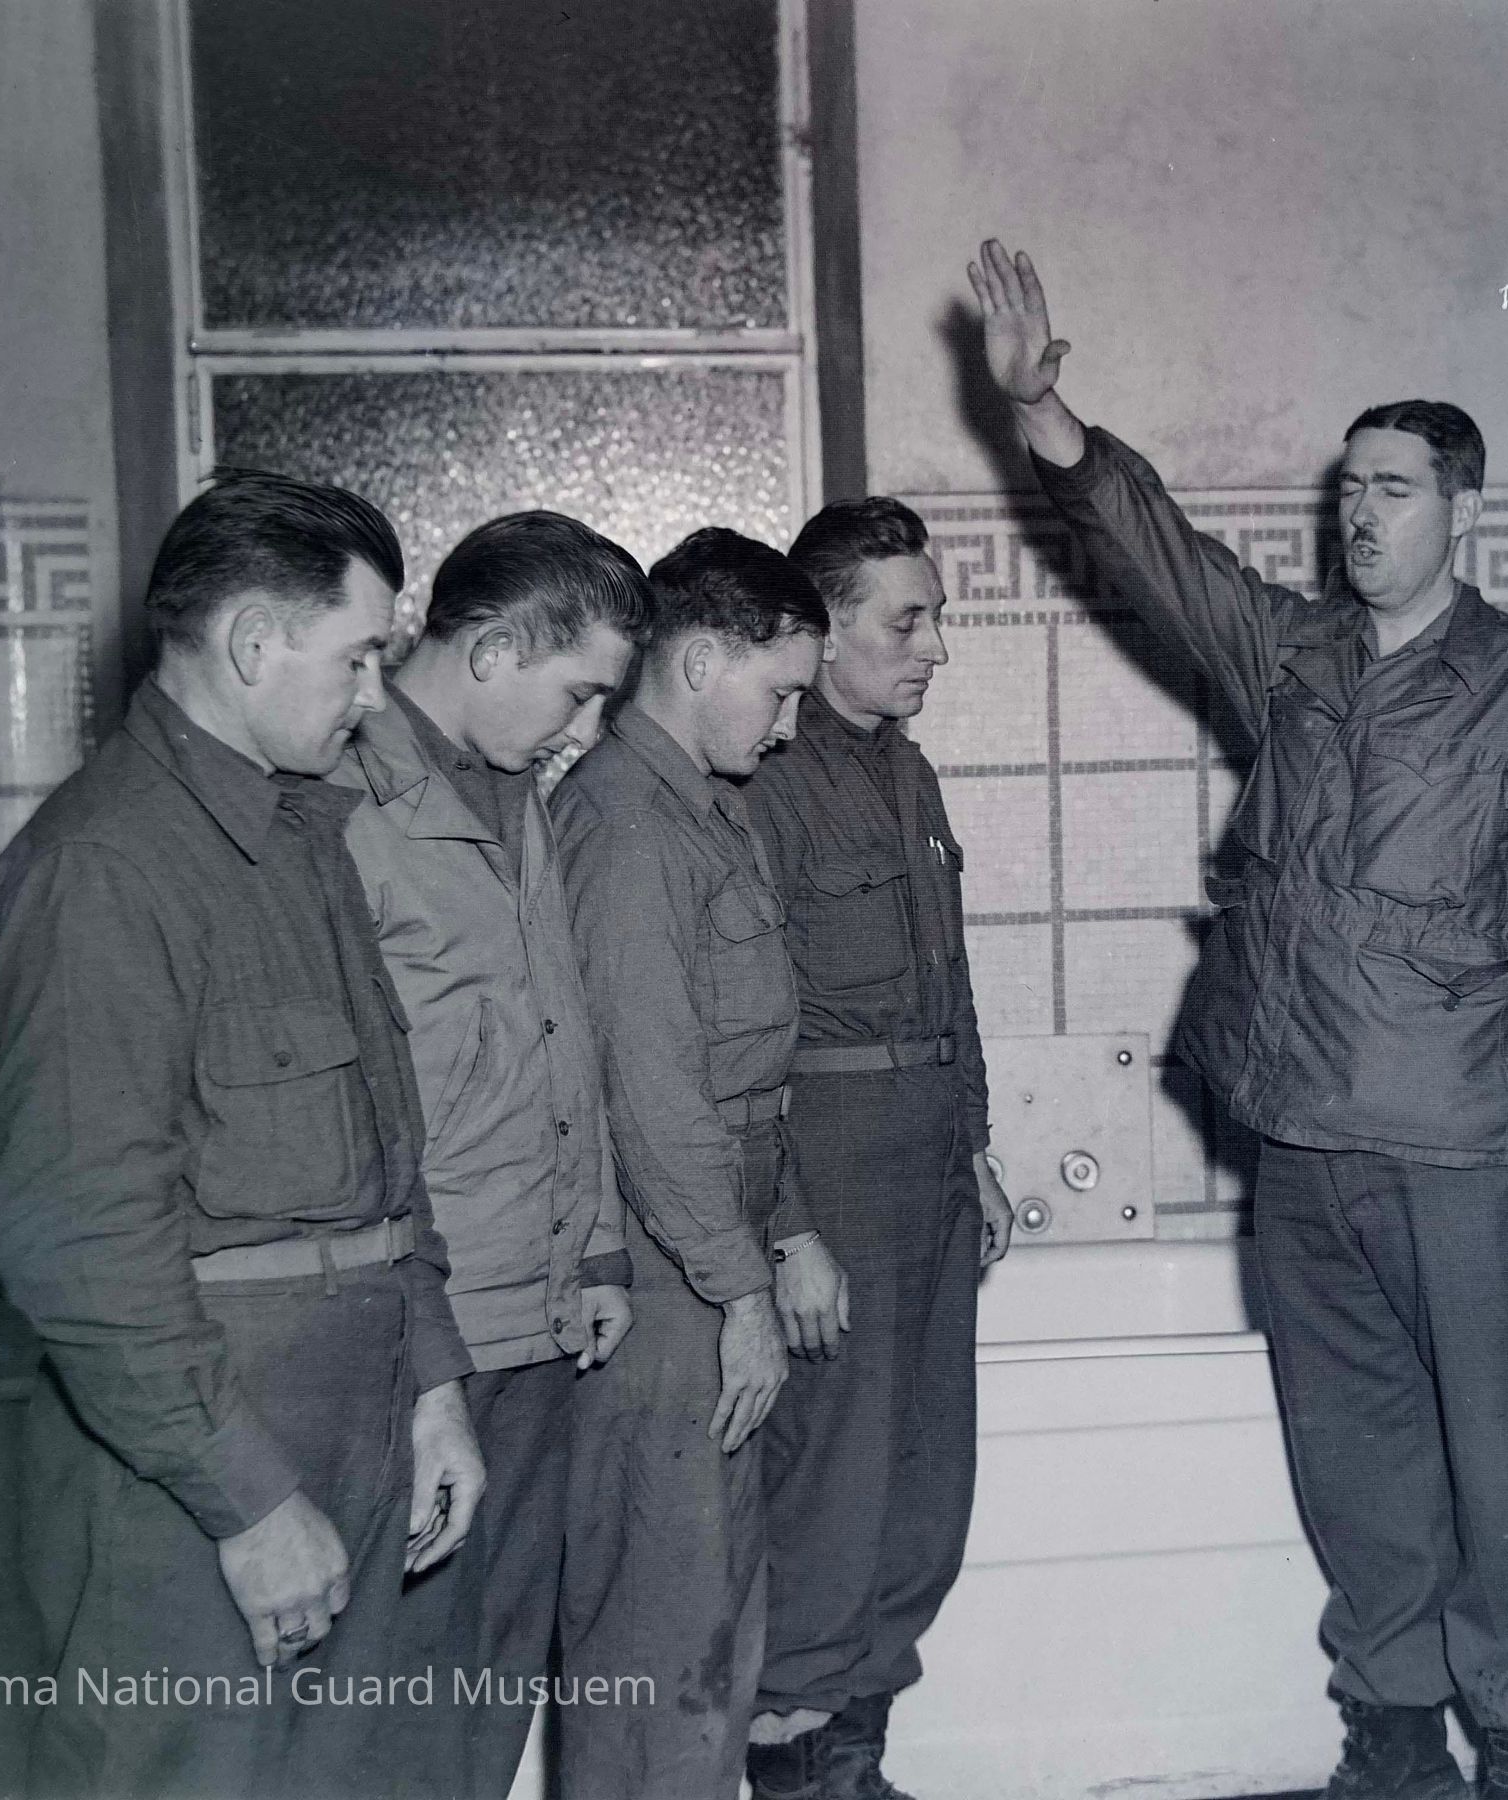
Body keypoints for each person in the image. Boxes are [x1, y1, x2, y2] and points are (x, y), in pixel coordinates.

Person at [969, 240, 1508, 1800]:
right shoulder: (1291, 656)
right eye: (1351, 488)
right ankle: (1394, 1740)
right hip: (1303, 1145)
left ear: (1464, 513)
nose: (1361, 513)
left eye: (1395, 489)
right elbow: (1159, 552)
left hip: (1468, 1150)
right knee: (1355, 1466)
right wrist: (1044, 414)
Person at [0, 471, 485, 1800]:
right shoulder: (105, 870)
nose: (375, 695)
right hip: (193, 1454)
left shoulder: (297, 830)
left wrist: (432, 1387)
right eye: (358, 657)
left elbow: (386, 1158)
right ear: (255, 643)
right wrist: (247, 1498)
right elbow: (82, 1243)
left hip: (352, 1410)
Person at [330, 511, 651, 1794]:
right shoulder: (341, 797)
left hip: (538, 1306)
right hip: (427, 1327)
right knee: (400, 1698)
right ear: (494, 649)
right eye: (580, 692)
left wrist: (602, 1244)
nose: (589, 727)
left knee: (498, 1666)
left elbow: (562, 1031)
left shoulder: (514, 790)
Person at [740, 499, 1014, 1800]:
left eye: (936, 619)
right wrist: (786, 1221)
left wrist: (978, 1148)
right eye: (909, 624)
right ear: (826, 627)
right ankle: (793, 1756)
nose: (934, 648)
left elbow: (951, 982)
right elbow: (741, 1039)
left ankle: (857, 1753)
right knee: (831, 1489)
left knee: (924, 1484)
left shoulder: (910, 772)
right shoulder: (764, 780)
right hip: (833, 1163)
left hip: (930, 1163)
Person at [551, 527, 830, 1798]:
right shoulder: (624, 828)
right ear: (702, 660)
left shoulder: (705, 812)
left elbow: (748, 1073)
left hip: (706, 1254)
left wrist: (782, 1232)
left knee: (711, 1615)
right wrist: (739, 1289)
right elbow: (653, 1095)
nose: (789, 728)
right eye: (780, 694)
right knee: (661, 1632)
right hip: (668, 1281)